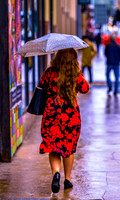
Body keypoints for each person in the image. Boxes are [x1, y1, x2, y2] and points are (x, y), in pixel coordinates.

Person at [37, 48, 89, 193]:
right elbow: (85, 88)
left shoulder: (49, 72)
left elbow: (41, 86)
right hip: (71, 115)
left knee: (52, 146)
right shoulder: (76, 75)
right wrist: (78, 73)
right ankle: (67, 179)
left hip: (52, 114)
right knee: (69, 147)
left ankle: (56, 173)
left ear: (57, 57)